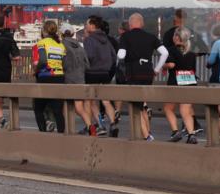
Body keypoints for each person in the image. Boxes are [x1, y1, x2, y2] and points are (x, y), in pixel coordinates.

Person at [117, 13, 168, 141]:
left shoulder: (125, 36)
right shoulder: (151, 37)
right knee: (143, 102)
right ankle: (148, 129)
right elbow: (165, 53)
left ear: (130, 24)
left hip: (133, 72)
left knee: (135, 105)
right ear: (142, 23)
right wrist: (156, 69)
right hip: (147, 73)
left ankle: (146, 135)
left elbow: (121, 55)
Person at [162, 28, 201, 144]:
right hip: (190, 81)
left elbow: (171, 65)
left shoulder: (171, 50)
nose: (173, 37)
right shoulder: (191, 52)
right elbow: (192, 69)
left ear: (177, 38)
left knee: (168, 108)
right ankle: (191, 135)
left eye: (174, 35)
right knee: (186, 110)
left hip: (176, 82)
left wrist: (163, 66)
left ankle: (175, 132)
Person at [83, 15, 117, 136]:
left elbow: (89, 56)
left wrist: (85, 66)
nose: (85, 26)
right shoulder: (107, 39)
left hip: (92, 73)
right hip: (105, 73)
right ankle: (113, 124)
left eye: (87, 24)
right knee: (106, 101)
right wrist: (108, 69)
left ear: (92, 26)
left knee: (91, 101)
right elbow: (114, 57)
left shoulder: (89, 39)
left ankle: (99, 125)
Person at [32, 20, 66, 133]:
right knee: (57, 110)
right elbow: (64, 63)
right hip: (60, 77)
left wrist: (36, 71)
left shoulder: (42, 43)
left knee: (38, 108)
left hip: (46, 77)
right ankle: (62, 136)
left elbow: (42, 60)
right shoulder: (60, 45)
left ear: (44, 30)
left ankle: (43, 133)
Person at [60, 24, 92, 134]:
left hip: (67, 79)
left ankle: (67, 130)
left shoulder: (61, 45)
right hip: (80, 79)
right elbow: (87, 65)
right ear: (73, 34)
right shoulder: (80, 46)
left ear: (62, 34)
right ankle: (91, 128)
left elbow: (61, 63)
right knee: (79, 108)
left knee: (66, 107)